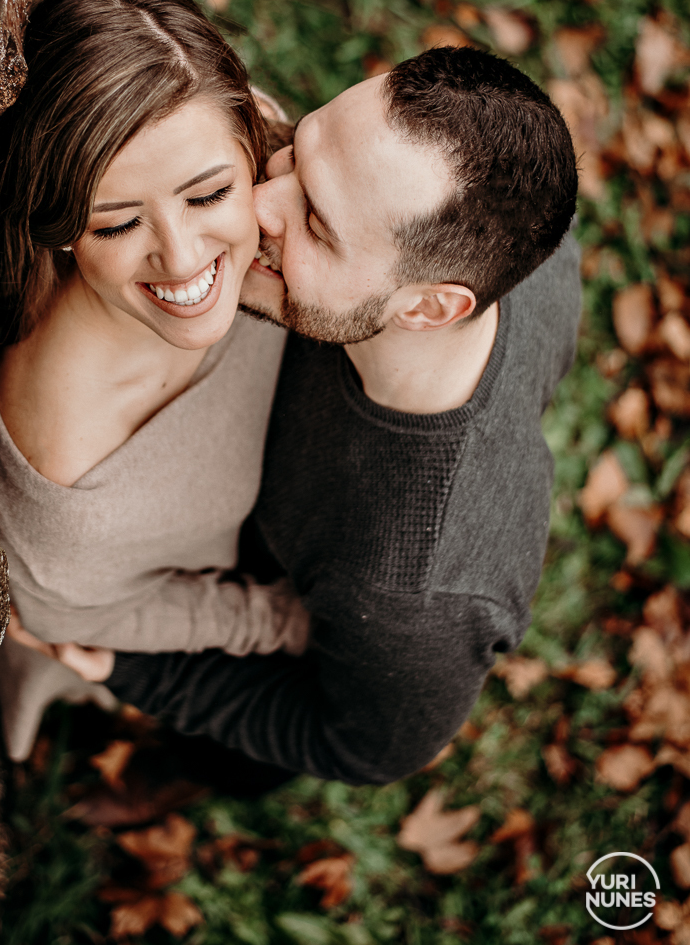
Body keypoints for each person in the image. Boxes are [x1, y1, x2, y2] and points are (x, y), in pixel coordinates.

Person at [66, 46, 582, 787]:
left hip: (266, 637)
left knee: (226, 767)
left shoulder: (418, 596)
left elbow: (356, 745)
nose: (256, 207)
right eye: (298, 156)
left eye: (316, 221)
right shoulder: (524, 212)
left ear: (428, 307)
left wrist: (134, 673)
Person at [0, 0, 309, 762]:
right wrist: (288, 623)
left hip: (292, 488)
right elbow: (77, 620)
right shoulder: (73, 478)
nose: (185, 256)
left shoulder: (267, 172)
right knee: (251, 770)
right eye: (119, 222)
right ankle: (50, 688)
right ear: (60, 228)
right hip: (197, 601)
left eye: (208, 195)